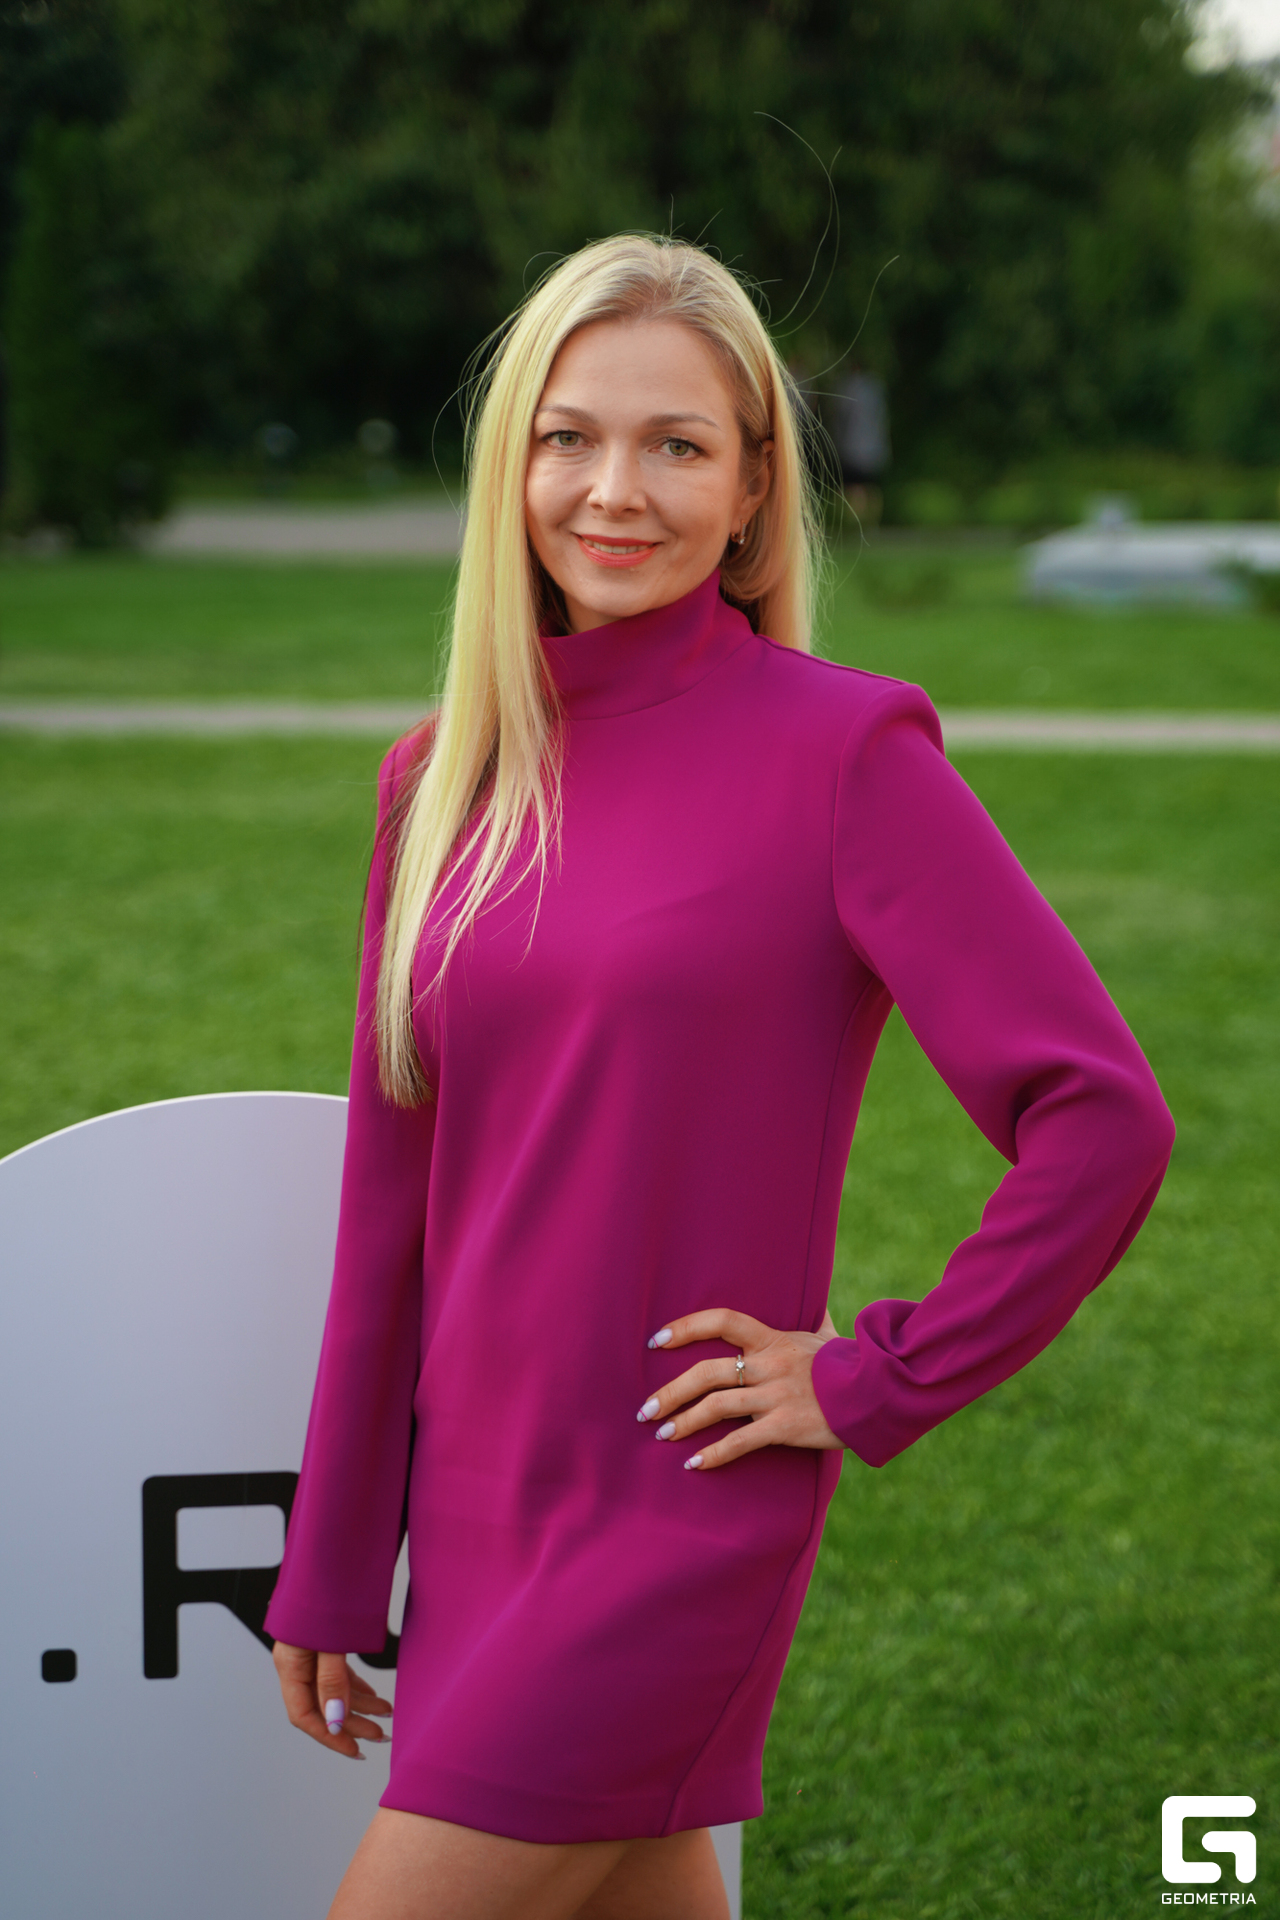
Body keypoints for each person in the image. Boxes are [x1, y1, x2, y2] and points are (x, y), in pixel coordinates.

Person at [264, 234, 1174, 1920]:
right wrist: (329, 1559)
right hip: (477, 1513)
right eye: (570, 437)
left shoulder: (846, 755)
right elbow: (391, 1211)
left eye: (676, 445)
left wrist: (878, 1377)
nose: (615, 491)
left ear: (753, 492)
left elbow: (1101, 1119)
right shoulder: (437, 781)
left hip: (673, 1510)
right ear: (512, 463)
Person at [828, 364, 890, 525]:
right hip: (870, 446)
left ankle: (857, 521)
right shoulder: (873, 387)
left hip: (853, 446)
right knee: (867, 487)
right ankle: (868, 522)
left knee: (854, 487)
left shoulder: (848, 388)